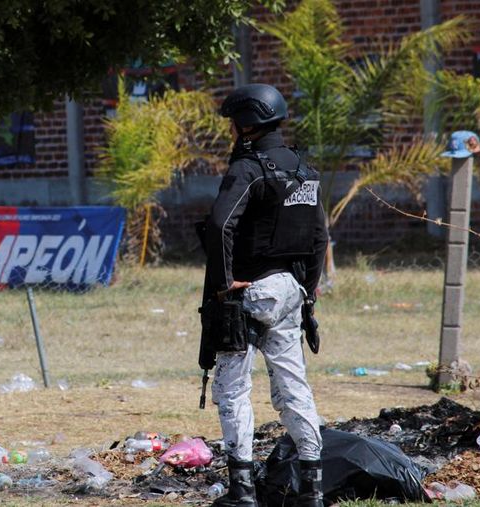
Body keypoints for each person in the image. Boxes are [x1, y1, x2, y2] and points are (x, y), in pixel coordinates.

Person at [199, 84, 328, 507]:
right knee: (293, 386)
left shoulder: (249, 169)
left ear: (247, 124)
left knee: (232, 389)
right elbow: (319, 237)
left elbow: (220, 227)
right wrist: (307, 292)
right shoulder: (304, 171)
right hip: (291, 291)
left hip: (250, 293)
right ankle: (311, 488)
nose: (233, 130)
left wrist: (223, 284)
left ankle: (242, 491)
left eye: (235, 123)